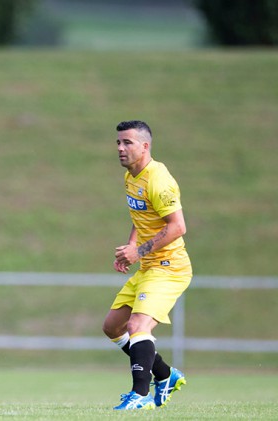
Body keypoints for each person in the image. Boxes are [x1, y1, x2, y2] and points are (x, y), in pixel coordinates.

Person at [102, 120, 191, 410]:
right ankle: (165, 374)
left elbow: (177, 227)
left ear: (145, 146)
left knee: (138, 326)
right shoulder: (132, 176)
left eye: (127, 142)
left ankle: (140, 396)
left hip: (169, 267)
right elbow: (141, 216)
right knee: (113, 327)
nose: (120, 148)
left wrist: (138, 252)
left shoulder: (158, 180)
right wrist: (131, 247)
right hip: (149, 266)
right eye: (118, 142)